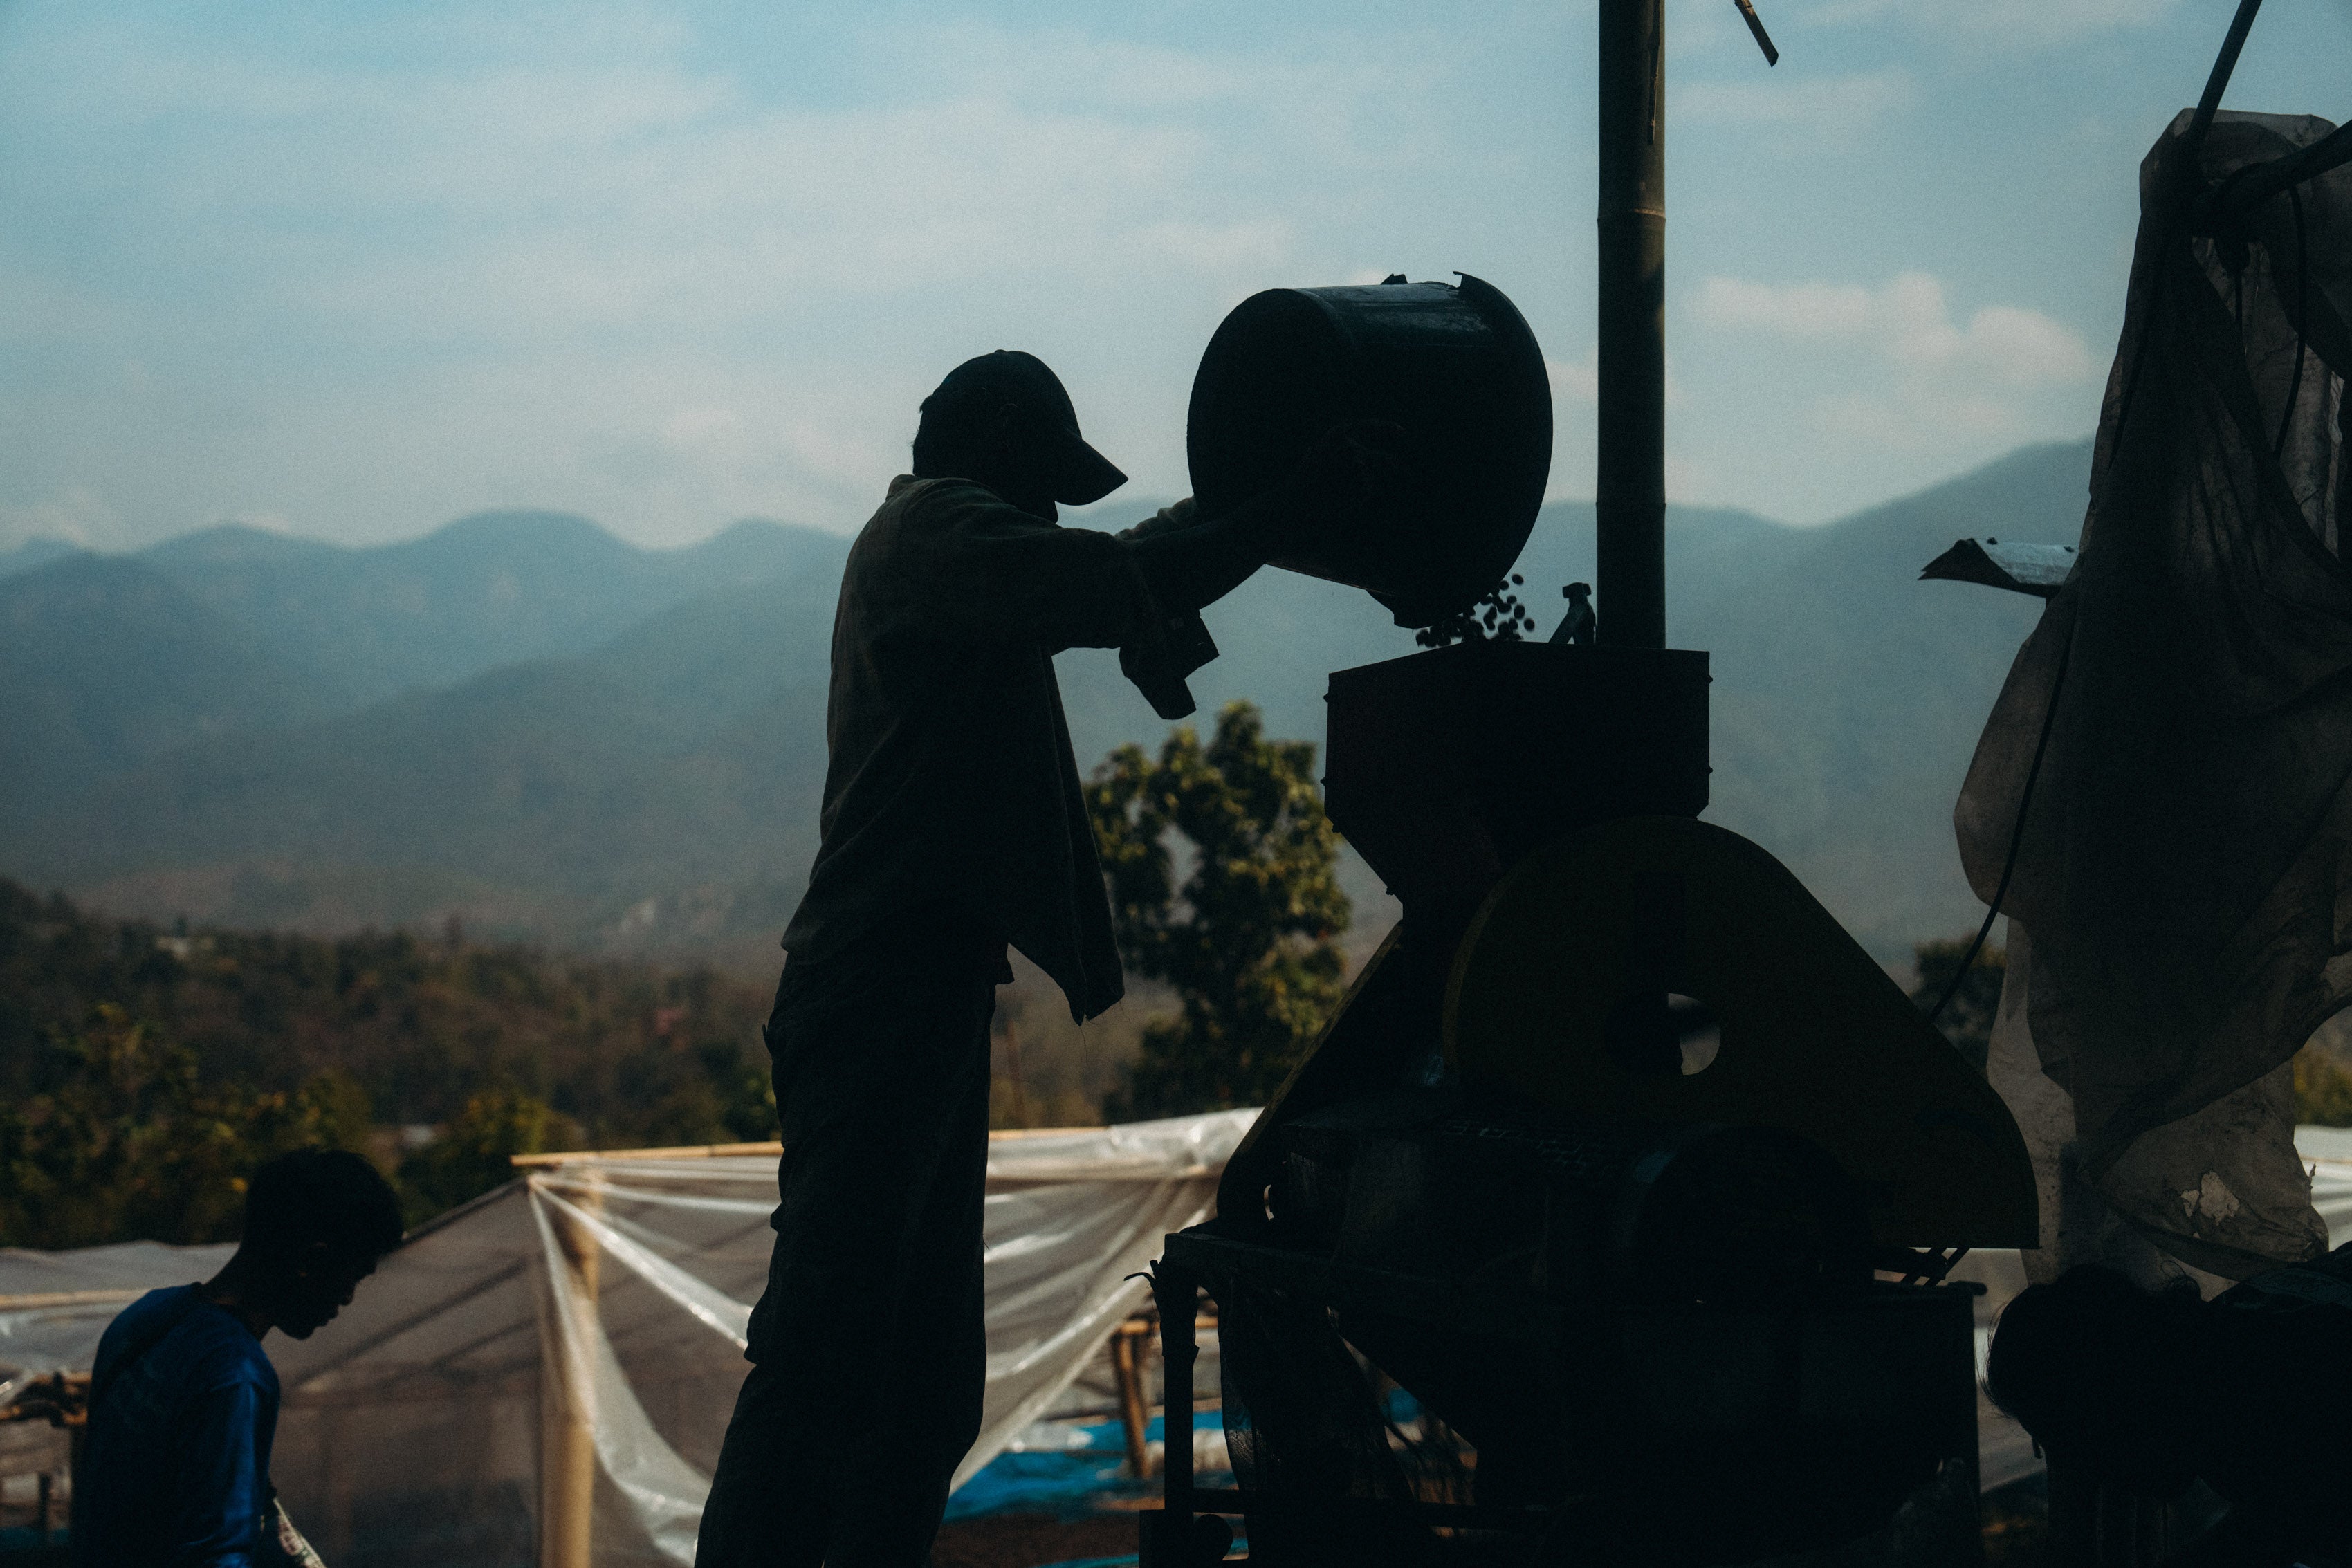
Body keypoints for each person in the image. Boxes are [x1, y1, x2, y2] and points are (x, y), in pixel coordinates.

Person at [693, 350, 1388, 1567]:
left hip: (917, 986)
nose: (1056, 514)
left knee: (915, 1385)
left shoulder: (953, 548)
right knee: (829, 1358)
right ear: (1003, 451)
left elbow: (1121, 560)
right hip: (882, 986)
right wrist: (1286, 507)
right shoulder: (936, 536)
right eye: (1048, 487)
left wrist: (1235, 516)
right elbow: (1114, 574)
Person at [74, 1147, 405, 1568]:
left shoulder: (145, 1318)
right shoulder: (234, 1376)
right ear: (312, 1261)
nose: (347, 1298)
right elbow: (217, 1554)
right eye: (351, 1276)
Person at [1986, 1248, 2352, 1566]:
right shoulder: (2237, 1328)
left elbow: (2288, 1520)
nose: (2095, 1476)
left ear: (2112, 1401)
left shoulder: (2264, 1403)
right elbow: (2277, 1522)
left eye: (2077, 1446)